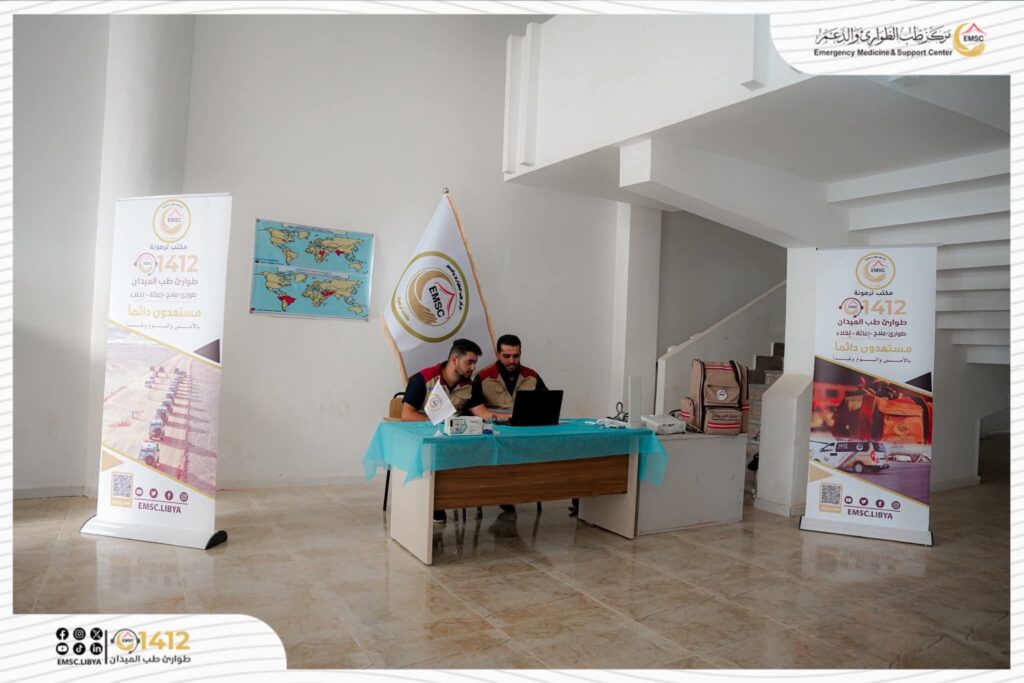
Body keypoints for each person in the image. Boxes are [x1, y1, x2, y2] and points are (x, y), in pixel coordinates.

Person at [401, 338, 483, 523]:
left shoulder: (469, 385)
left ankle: (458, 496)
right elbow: (407, 415)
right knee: (438, 454)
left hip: (452, 441)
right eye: (469, 362)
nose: (473, 368)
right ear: (454, 359)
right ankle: (437, 502)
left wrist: (506, 417)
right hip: (423, 440)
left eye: (474, 363)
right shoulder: (423, 379)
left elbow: (482, 412)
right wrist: (439, 423)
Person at [464, 334, 547, 514]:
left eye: (516, 356)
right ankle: (502, 493)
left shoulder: (531, 376)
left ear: (520, 353)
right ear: (497, 354)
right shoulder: (483, 377)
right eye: (506, 356)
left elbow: (545, 405)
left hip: (523, 434)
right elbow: (473, 410)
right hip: (494, 435)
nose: (511, 361)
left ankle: (518, 491)